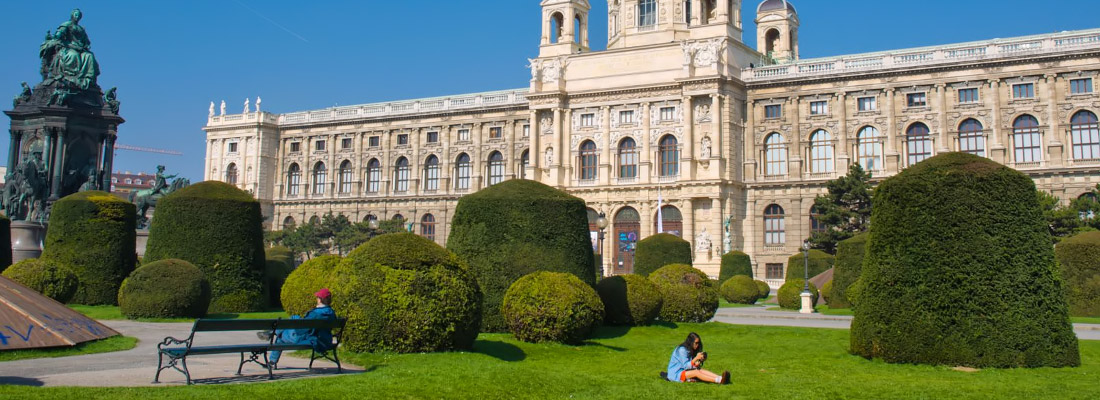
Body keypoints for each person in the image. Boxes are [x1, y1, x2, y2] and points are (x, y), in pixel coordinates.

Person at [260, 288, 337, 368]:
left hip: (310, 339)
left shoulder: (315, 314)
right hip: (325, 339)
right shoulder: (332, 313)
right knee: (294, 317)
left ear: (320, 299)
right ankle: (272, 334)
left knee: (280, 336)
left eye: (317, 297)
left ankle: (272, 335)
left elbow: (301, 330)